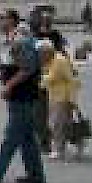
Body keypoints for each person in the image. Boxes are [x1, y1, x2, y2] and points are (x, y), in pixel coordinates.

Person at [0, 10, 45, 183]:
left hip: (23, 94)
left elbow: (27, 68)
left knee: (12, 135)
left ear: (11, 20)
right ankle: (35, 174)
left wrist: (9, 85)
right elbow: (9, 67)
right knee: (26, 137)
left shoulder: (20, 40)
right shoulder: (12, 40)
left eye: (1, 18)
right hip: (22, 94)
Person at [39, 36, 82, 161]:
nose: (40, 56)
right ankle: (75, 142)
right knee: (64, 123)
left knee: (56, 123)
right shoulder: (52, 60)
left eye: (41, 53)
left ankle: (58, 149)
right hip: (56, 95)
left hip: (63, 96)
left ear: (47, 51)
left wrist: (40, 80)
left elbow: (51, 77)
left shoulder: (58, 61)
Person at [32, 14, 62, 153]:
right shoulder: (36, 35)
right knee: (40, 112)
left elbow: (60, 51)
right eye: (44, 20)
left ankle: (50, 140)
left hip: (51, 78)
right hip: (41, 78)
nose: (46, 22)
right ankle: (45, 141)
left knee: (51, 113)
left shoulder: (55, 35)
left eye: (48, 20)